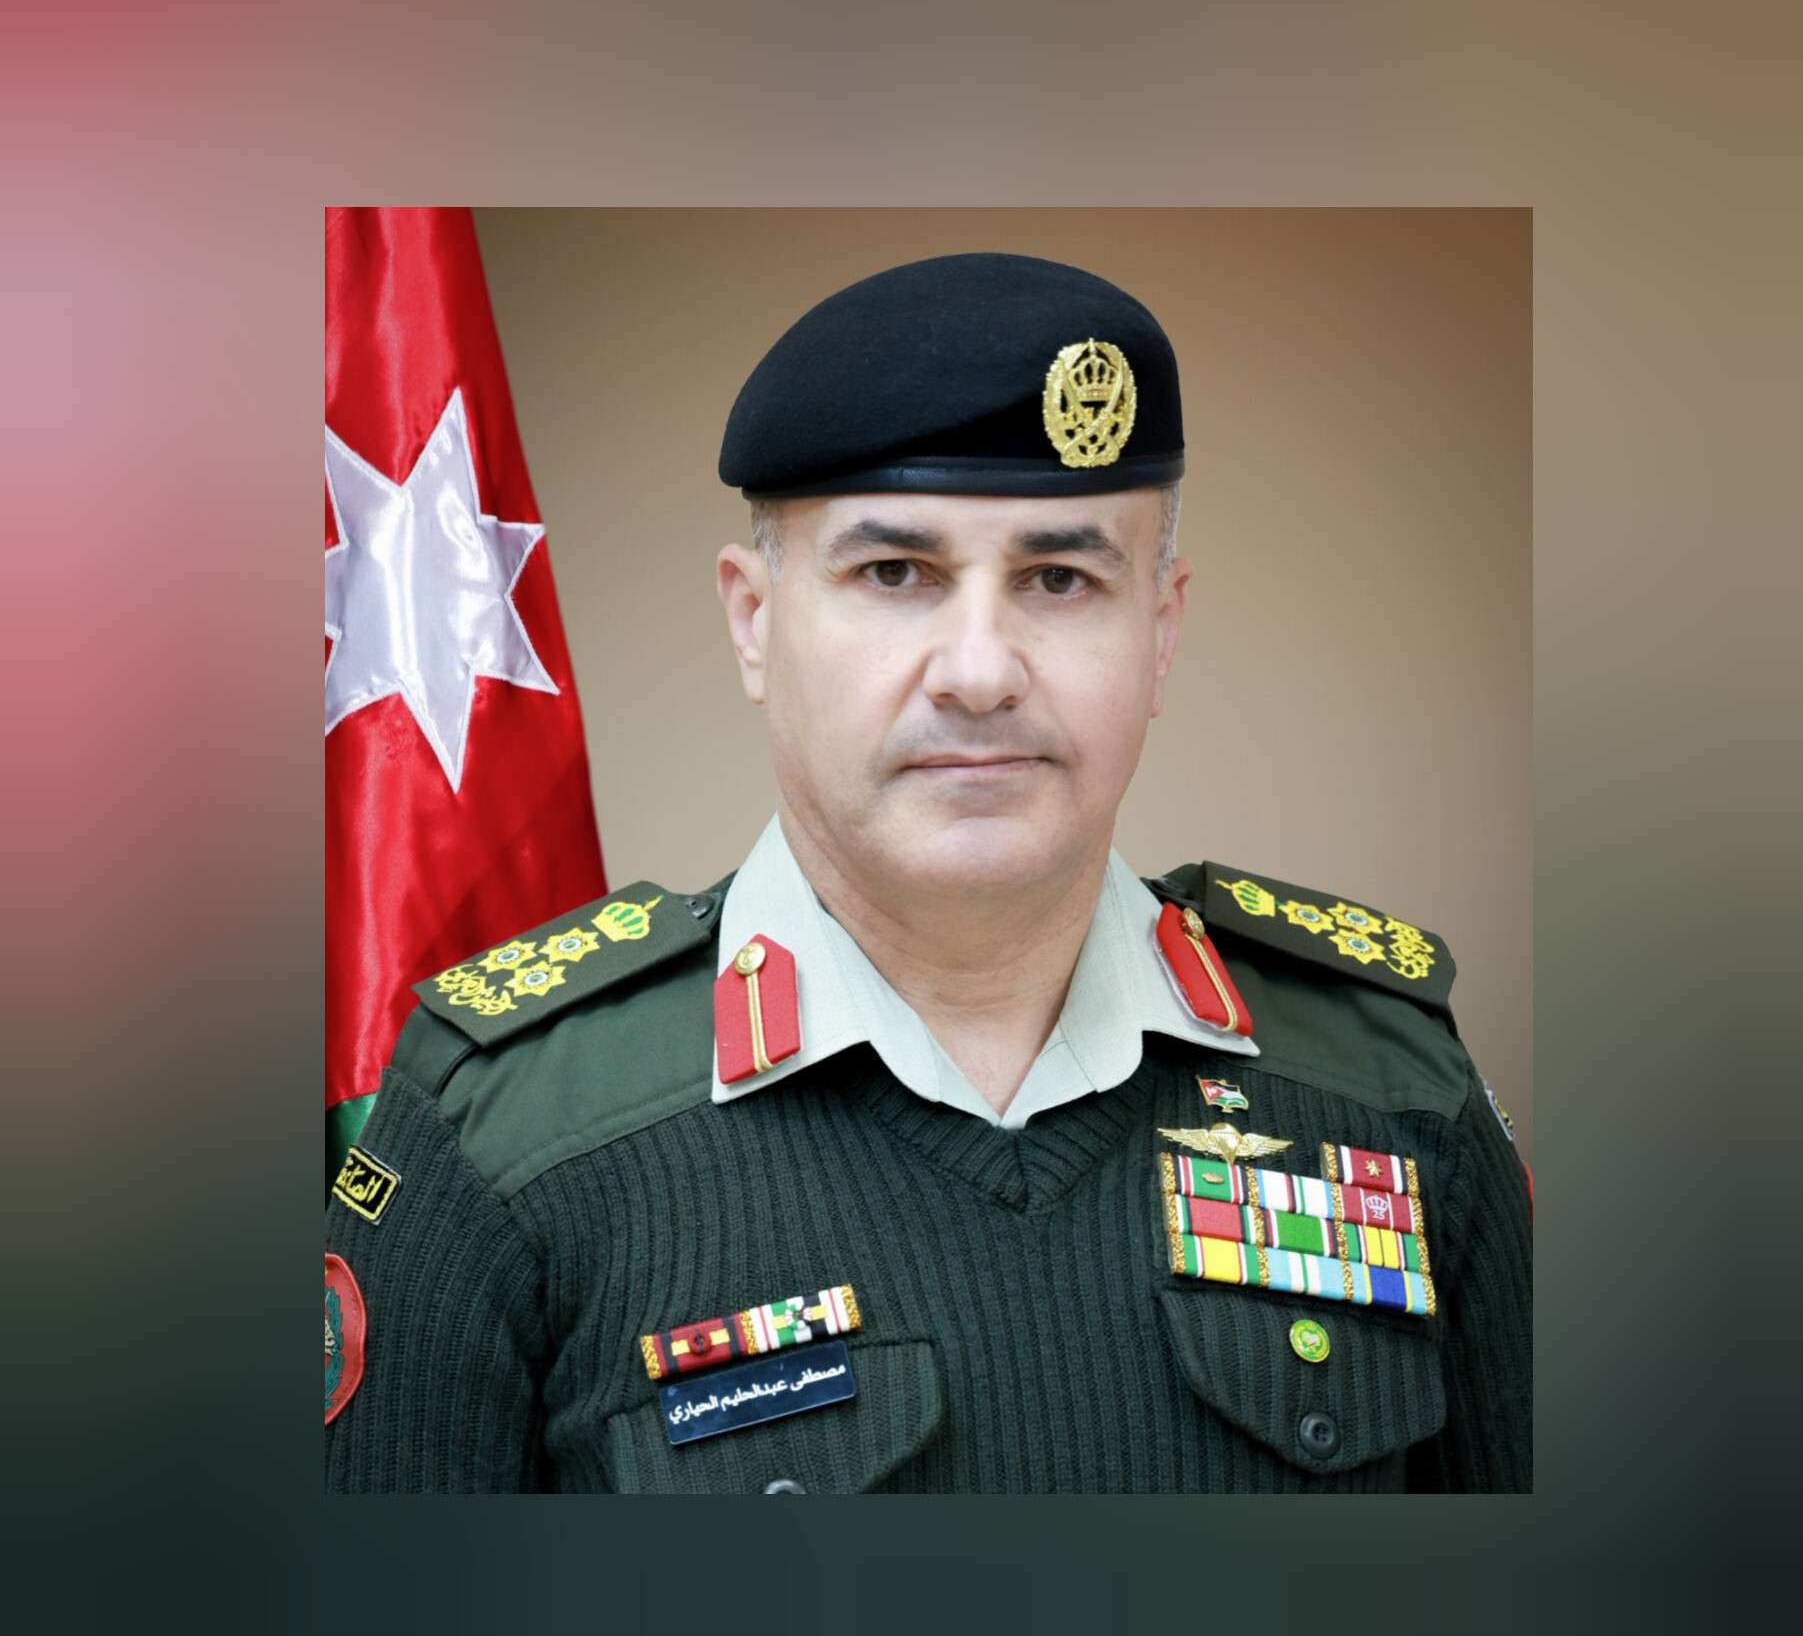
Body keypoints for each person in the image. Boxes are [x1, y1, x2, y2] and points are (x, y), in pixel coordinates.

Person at [324, 251, 1532, 1492]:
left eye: (1061, 580)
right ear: (753, 620)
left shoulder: (1389, 1090)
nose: (980, 672)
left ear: (1161, 631)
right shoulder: (512, 1145)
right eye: (895, 575)